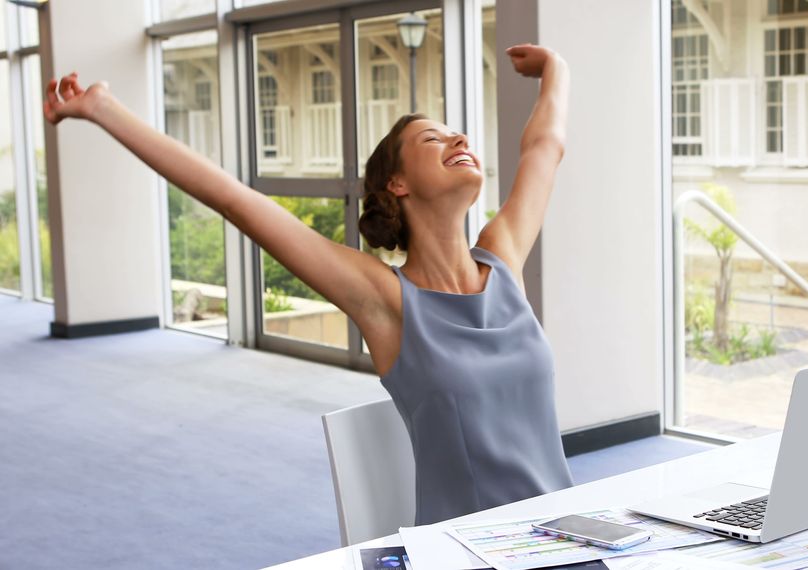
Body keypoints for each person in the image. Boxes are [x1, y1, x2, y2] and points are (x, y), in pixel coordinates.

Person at [43, 43, 572, 525]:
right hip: (471, 551)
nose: (458, 139)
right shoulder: (385, 298)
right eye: (432, 138)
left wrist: (556, 70)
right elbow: (236, 200)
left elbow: (544, 148)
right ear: (399, 183)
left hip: (568, 537)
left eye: (456, 133)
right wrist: (102, 108)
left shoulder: (502, 258)